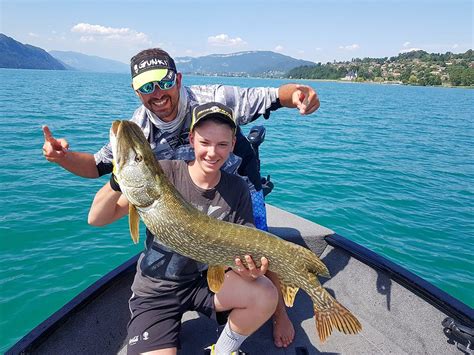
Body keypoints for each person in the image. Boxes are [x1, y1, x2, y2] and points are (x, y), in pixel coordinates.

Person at [42, 47, 321, 347]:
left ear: (177, 79)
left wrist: (299, 96)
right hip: (177, 189)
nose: (157, 93)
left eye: (163, 82)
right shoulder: (139, 129)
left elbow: (273, 96)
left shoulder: (214, 97)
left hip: (237, 178)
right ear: (137, 91)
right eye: (146, 87)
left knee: (259, 245)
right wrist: (64, 157)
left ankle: (279, 313)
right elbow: (100, 166)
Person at [88, 102, 279, 354]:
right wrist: (116, 180)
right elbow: (97, 218)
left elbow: (242, 248)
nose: (213, 152)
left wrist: (251, 271)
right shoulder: (163, 174)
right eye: (205, 142)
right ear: (191, 139)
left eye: (222, 144)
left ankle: (221, 351)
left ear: (233, 145)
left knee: (265, 292)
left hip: (204, 283)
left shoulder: (237, 188)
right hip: (156, 290)